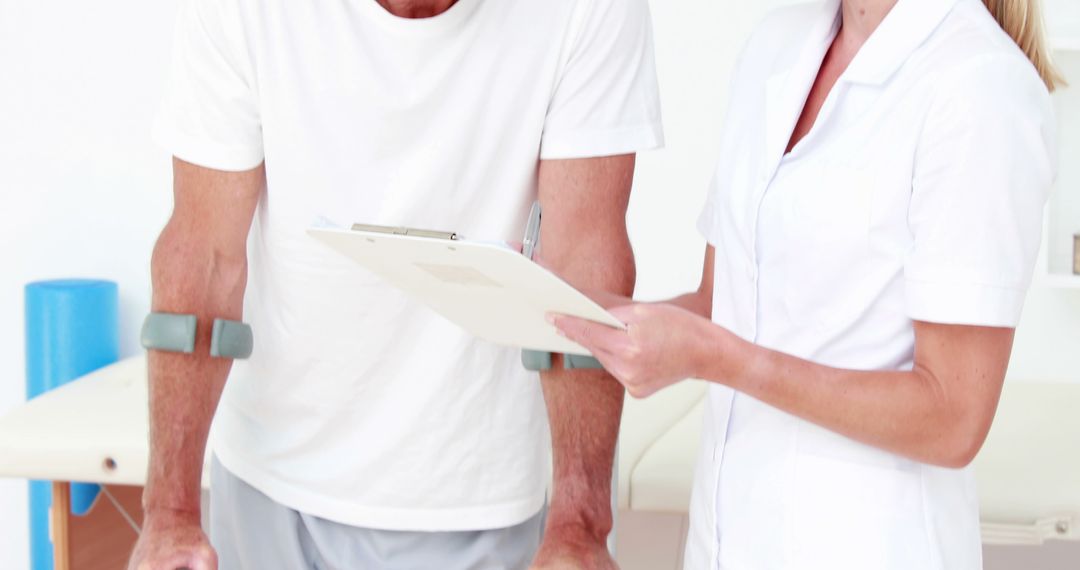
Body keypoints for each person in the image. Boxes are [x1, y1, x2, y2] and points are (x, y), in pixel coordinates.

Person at [128, 0, 663, 568]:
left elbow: (582, 265)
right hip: (270, 481)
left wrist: (580, 525)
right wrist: (170, 513)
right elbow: (205, 257)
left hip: (478, 498)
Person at [551, 0, 1059, 568]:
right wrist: (577, 314)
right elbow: (725, 304)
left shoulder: (978, 85)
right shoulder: (778, 45)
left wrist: (717, 359)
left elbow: (953, 419)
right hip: (726, 542)